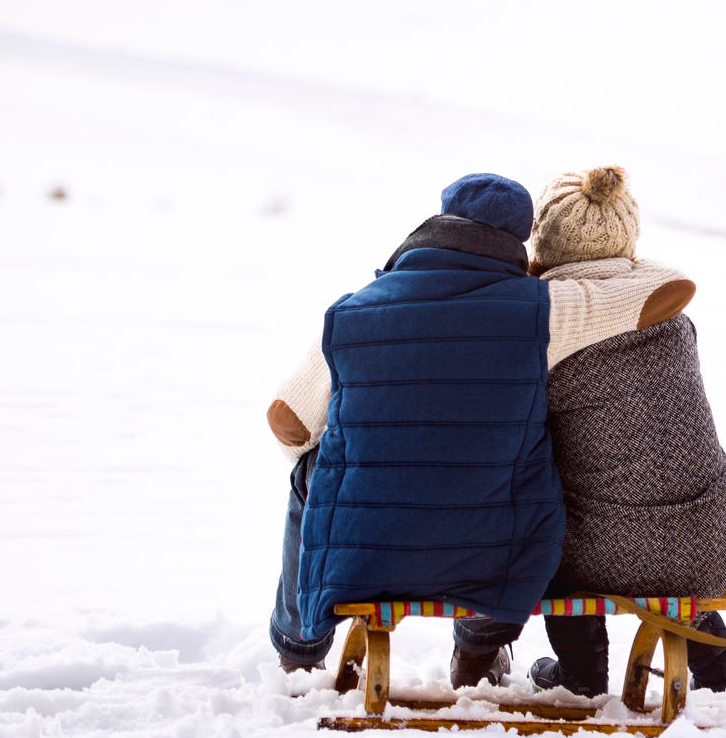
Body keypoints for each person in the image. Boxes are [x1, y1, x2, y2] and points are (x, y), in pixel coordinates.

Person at [263, 171, 696, 687]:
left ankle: (299, 648)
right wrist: (548, 274)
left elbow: (286, 422)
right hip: (494, 558)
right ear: (519, 244)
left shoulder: (355, 312)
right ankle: (476, 657)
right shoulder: (545, 312)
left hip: (366, 549)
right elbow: (672, 290)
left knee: (310, 477)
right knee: (512, 465)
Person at [491, 165, 726, 699]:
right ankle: (725, 679)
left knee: (556, 528)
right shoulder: (673, 315)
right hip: (715, 537)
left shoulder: (543, 327)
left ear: (543, 244)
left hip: (600, 551)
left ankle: (581, 677)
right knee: (668, 541)